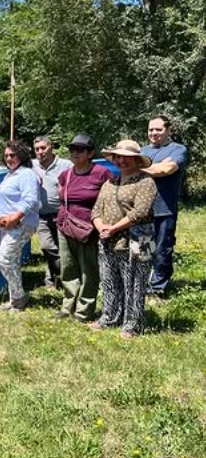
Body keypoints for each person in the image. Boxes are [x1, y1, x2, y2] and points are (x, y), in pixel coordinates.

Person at [91, 140, 157, 338]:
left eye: (127, 157)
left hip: (140, 240)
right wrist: (101, 226)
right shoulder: (109, 183)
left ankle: (133, 325)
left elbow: (141, 212)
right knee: (109, 280)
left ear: (137, 160)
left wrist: (114, 228)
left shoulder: (146, 182)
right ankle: (110, 317)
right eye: (118, 157)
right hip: (108, 239)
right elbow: (96, 210)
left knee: (136, 283)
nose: (122, 161)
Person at [54, 134, 111, 321]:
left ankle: (83, 310)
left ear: (90, 153)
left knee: (88, 270)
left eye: (80, 149)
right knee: (68, 268)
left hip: (89, 229)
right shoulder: (66, 175)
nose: (75, 153)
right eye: (72, 149)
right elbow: (61, 196)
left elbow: (110, 200)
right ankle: (68, 305)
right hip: (65, 226)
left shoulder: (102, 173)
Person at [141, 115, 189, 295]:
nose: (154, 133)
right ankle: (142, 285)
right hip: (143, 210)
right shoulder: (142, 151)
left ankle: (157, 288)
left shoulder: (177, 150)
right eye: (151, 129)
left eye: (158, 129)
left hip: (164, 209)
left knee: (162, 249)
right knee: (143, 249)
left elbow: (166, 169)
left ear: (168, 130)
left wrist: (135, 168)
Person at [0, 140, 42, 312]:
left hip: (21, 224)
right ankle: (15, 300)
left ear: (21, 155)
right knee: (12, 262)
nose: (9, 158)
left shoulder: (26, 174)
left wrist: (15, 216)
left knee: (4, 259)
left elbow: (31, 200)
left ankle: (20, 296)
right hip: (8, 226)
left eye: (12, 155)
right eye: (6, 155)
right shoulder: (10, 175)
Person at [32, 136, 73, 288]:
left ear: (51, 147)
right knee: (47, 247)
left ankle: (51, 279)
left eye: (43, 148)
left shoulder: (65, 165)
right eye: (37, 149)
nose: (40, 152)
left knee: (63, 248)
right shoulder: (31, 165)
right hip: (41, 215)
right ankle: (67, 276)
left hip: (62, 213)